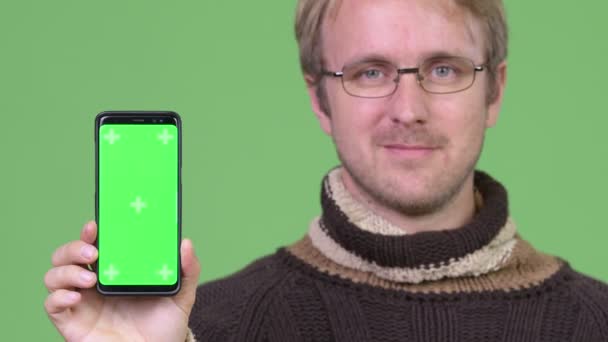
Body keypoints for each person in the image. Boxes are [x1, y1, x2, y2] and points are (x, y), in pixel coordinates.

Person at [45, 0, 608, 341]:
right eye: (369, 72)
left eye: (443, 68)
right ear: (319, 99)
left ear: (495, 91)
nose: (408, 108)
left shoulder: (596, 321)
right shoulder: (207, 327)